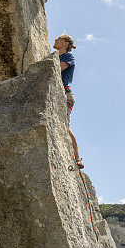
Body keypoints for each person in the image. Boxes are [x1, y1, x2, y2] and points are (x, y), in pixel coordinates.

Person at [53, 34, 83, 169]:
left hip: (65, 94)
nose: (54, 40)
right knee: (61, 125)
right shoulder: (58, 57)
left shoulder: (67, 57)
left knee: (64, 126)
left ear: (65, 43)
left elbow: (58, 69)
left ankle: (77, 158)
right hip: (60, 93)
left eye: (58, 39)